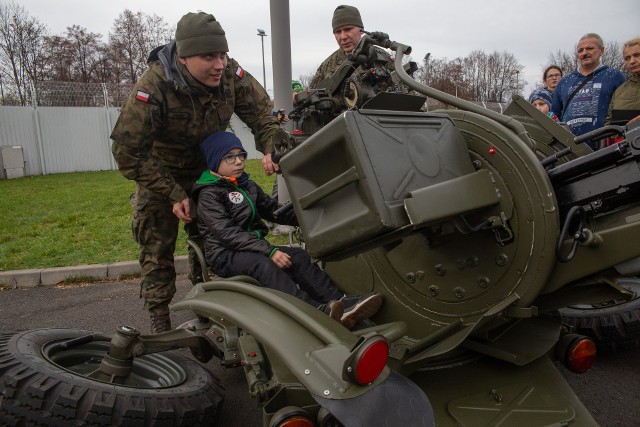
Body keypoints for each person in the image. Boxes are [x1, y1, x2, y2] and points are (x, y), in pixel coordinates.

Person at [110, 12, 282, 333]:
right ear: (185, 57)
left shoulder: (229, 74)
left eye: (222, 54)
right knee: (156, 246)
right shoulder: (154, 85)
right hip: (161, 175)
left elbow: (262, 115)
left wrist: (271, 145)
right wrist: (172, 193)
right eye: (209, 56)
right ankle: (160, 322)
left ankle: (210, 305)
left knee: (216, 240)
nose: (219, 64)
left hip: (208, 173)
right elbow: (126, 150)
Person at [192, 131, 383, 329]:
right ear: (215, 161)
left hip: (250, 248)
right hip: (224, 254)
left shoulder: (247, 185)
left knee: (299, 256)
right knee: (264, 264)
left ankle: (343, 304)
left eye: (241, 155)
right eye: (230, 157)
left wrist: (311, 218)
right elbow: (227, 233)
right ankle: (313, 312)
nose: (239, 161)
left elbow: (274, 212)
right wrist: (269, 251)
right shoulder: (209, 194)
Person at [551, 33, 626, 149]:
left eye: (590, 48)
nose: (584, 53)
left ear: (601, 50)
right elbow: (554, 115)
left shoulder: (614, 76)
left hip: (605, 147)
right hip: (570, 150)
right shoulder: (564, 82)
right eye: (580, 50)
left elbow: (623, 112)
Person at [309, 5, 366, 89]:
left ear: (361, 30)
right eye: (338, 32)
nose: (343, 37)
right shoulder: (326, 66)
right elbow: (311, 97)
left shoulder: (380, 58)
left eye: (348, 29)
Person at [605, 36, 640, 126]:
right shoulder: (619, 91)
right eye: (627, 58)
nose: (632, 61)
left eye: (637, 55)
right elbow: (608, 125)